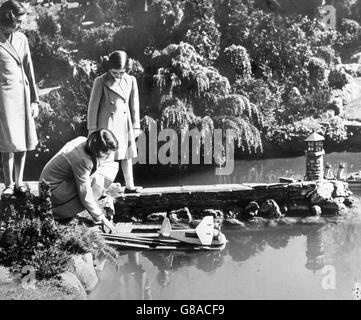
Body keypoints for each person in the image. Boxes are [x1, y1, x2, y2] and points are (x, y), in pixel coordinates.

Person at [39, 129, 119, 233]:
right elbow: (85, 194)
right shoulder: (82, 160)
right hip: (51, 191)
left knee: (105, 169)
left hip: (49, 184)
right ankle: (60, 212)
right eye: (105, 153)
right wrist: (101, 218)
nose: (108, 156)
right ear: (96, 149)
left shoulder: (82, 140)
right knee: (92, 184)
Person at [87, 50, 141, 194]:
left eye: (121, 72)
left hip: (125, 124)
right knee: (105, 158)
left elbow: (134, 105)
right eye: (114, 72)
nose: (118, 76)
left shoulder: (131, 80)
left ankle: (130, 186)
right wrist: (92, 129)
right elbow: (93, 107)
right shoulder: (101, 81)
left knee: (127, 156)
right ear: (109, 69)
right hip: (107, 126)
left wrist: (136, 126)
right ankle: (99, 189)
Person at [0, 0, 39, 197]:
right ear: (8, 18)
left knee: (22, 140)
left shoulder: (22, 39)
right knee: (8, 143)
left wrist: (34, 100)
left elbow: (28, 69)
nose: (21, 26)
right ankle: (7, 185)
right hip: (4, 98)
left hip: (22, 96)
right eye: (18, 22)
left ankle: (19, 182)